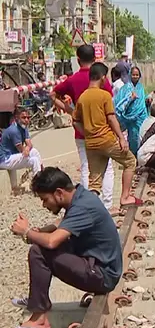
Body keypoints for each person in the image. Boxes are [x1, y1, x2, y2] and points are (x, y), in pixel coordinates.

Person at [4, 167, 121, 328]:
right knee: (41, 245)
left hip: (102, 276)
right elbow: (63, 222)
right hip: (96, 264)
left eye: (45, 199)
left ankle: (39, 319)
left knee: (39, 251)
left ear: (59, 193)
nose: (44, 205)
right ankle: (36, 299)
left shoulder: (83, 207)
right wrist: (41, 231)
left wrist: (27, 232)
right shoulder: (80, 196)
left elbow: (51, 242)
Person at [51, 45, 115, 209]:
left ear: (78, 60)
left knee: (87, 167)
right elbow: (110, 101)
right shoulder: (101, 80)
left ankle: (89, 206)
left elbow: (53, 94)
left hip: (81, 132)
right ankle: (106, 205)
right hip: (102, 131)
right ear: (95, 59)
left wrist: (70, 111)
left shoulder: (71, 80)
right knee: (105, 168)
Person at [72, 62, 140, 209]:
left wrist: (88, 133)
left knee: (95, 180)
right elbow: (111, 118)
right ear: (102, 78)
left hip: (91, 144)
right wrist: (121, 138)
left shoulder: (82, 98)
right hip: (107, 140)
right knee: (130, 162)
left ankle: (91, 209)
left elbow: (75, 122)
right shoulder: (104, 95)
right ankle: (125, 197)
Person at [0, 108, 43, 195]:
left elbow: (29, 144)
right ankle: (38, 187)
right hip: (5, 160)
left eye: (28, 117)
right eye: (23, 117)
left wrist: (27, 148)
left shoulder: (23, 127)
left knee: (34, 152)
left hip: (13, 156)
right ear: (17, 118)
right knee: (34, 160)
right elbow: (21, 150)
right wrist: (27, 148)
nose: (26, 120)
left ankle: (43, 174)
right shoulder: (14, 130)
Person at [114, 66, 149, 156]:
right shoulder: (125, 88)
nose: (135, 77)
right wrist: (131, 99)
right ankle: (133, 156)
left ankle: (141, 156)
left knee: (142, 136)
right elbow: (119, 105)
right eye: (133, 75)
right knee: (133, 137)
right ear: (130, 75)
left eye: (137, 75)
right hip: (131, 119)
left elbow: (143, 100)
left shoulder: (141, 87)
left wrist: (147, 101)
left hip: (141, 117)